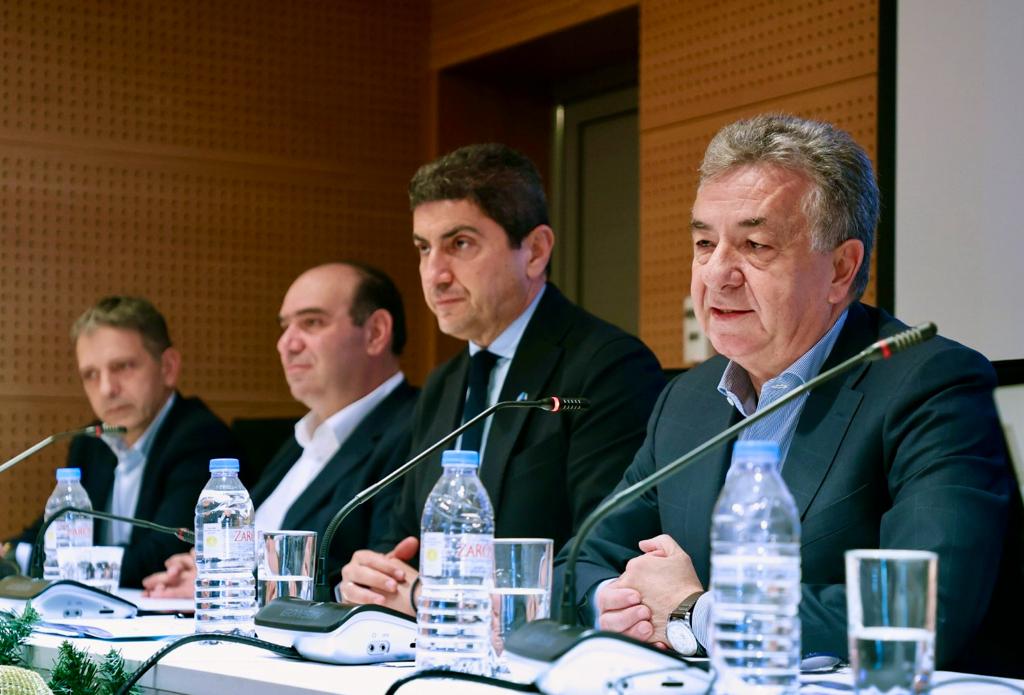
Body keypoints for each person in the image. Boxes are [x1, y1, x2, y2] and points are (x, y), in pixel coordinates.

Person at [567, 113, 1017, 675]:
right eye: (704, 243)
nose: (716, 274)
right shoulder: (686, 399)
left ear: (841, 269)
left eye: (755, 245)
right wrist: (616, 604)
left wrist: (697, 615)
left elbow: (924, 608)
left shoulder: (931, 384)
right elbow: (583, 559)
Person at [339, 143, 667, 615]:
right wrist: (373, 579)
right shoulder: (443, 384)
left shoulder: (608, 367)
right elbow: (403, 539)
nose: (435, 274)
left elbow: (602, 554)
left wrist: (429, 597)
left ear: (535, 251)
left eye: (460, 244)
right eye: (424, 248)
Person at [142, 262, 418, 597]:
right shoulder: (299, 439)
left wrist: (233, 586)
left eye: (311, 322)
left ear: (375, 333)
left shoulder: (417, 430)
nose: (286, 343)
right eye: (285, 327)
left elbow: (374, 577)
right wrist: (210, 566)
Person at [10, 296, 239, 587]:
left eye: (123, 366)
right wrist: (10, 552)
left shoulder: (201, 438)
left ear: (168, 367)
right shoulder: (91, 442)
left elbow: (162, 554)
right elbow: (52, 532)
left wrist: (40, 560)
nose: (107, 389)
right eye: (91, 375)